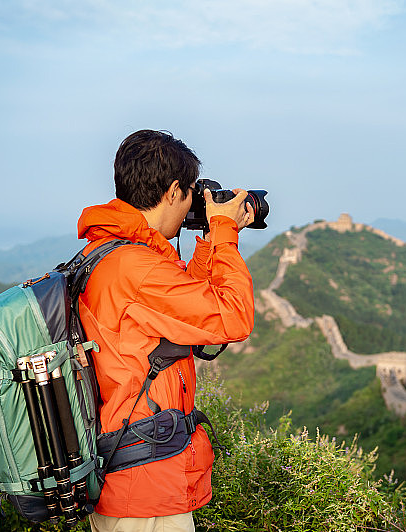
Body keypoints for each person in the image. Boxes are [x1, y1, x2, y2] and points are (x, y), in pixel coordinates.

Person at [75, 130, 255, 532]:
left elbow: (178, 311)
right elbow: (233, 317)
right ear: (174, 192)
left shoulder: (115, 252)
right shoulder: (136, 267)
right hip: (143, 486)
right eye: (191, 192)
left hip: (132, 470)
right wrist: (226, 232)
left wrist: (208, 244)